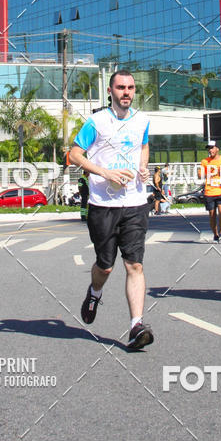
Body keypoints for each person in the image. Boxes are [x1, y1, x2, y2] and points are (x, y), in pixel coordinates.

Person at [70, 69, 153, 351]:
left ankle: (136, 325)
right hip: (103, 205)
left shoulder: (142, 120)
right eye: (121, 87)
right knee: (105, 265)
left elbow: (144, 145)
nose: (126, 92)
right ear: (110, 91)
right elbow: (74, 155)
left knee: (135, 264)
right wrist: (105, 173)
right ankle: (94, 292)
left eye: (130, 88)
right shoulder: (97, 121)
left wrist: (143, 168)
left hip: (135, 203)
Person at [198, 141, 221, 242]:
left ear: (217, 149)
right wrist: (210, 173)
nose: (210, 150)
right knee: (212, 215)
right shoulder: (205, 161)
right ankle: (215, 234)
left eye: (212, 148)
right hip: (209, 191)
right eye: (209, 148)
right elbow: (199, 175)